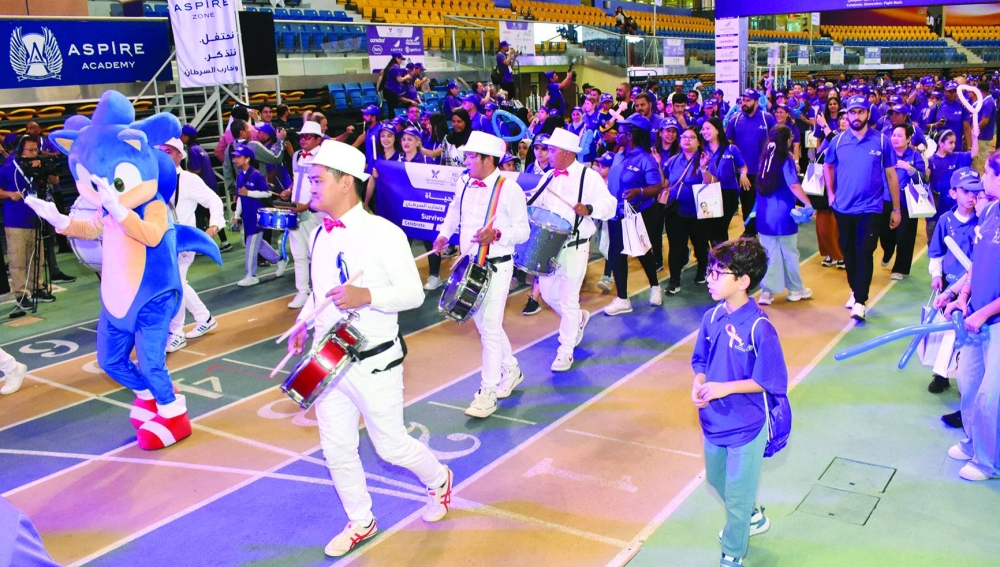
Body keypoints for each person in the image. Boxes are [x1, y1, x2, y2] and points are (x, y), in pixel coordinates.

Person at [287, 140, 453, 556]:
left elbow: (413, 294)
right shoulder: (320, 235)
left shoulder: (384, 233)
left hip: (374, 361)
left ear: (346, 183)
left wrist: (368, 295)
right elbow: (322, 294)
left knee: (391, 445)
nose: (310, 184)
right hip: (327, 360)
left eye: (317, 178)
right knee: (336, 447)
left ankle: (439, 480)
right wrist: (302, 322)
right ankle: (361, 520)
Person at [692, 238, 787, 567]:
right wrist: (700, 382)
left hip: (747, 425)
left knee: (735, 494)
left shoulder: (761, 328)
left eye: (718, 273)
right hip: (713, 421)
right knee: (717, 478)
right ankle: (752, 515)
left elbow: (767, 380)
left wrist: (724, 388)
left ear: (743, 282)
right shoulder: (711, 317)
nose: (710, 279)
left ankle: (733, 552)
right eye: (709, 271)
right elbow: (700, 360)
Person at [433, 131, 530, 418]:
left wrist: (497, 233)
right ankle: (510, 368)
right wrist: (443, 235)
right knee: (487, 326)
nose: (467, 160)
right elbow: (454, 211)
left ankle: (487, 392)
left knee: (488, 328)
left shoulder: (509, 189)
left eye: (472, 156)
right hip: (468, 265)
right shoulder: (464, 181)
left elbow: (523, 232)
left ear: (489, 160)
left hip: (497, 265)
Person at [529, 129, 617, 371]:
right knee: (547, 294)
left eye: (553, 150)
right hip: (549, 246)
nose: (548, 154)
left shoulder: (589, 177)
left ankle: (565, 350)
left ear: (567, 153)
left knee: (568, 300)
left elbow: (610, 205)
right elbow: (533, 203)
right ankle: (577, 319)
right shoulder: (548, 177)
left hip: (576, 246)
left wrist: (589, 208)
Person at [939, 156, 1000, 481]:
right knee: (969, 384)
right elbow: (978, 261)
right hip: (976, 316)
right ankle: (974, 441)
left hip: (994, 321)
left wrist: (983, 312)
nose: (979, 190)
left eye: (986, 177)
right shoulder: (989, 212)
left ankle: (989, 463)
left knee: (992, 395)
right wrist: (960, 296)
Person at [823, 95, 901, 322]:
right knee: (848, 252)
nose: (856, 116)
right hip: (843, 209)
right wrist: (830, 193)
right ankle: (855, 290)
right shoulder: (837, 141)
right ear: (847, 114)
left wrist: (896, 208)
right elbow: (827, 166)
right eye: (852, 112)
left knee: (864, 252)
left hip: (870, 209)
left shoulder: (882, 141)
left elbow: (891, 175)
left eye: (861, 112)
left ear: (868, 113)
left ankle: (860, 301)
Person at [159, 138, 224, 353]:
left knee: (174, 286)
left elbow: (214, 200)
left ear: (180, 155)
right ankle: (204, 317)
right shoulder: (153, 179)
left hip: (183, 242)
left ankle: (176, 332)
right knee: (179, 283)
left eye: (169, 151)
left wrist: (213, 227)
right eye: (161, 150)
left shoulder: (188, 180)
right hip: (161, 242)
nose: (164, 154)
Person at [927, 166, 980, 397]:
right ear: (953, 193)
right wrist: (936, 275)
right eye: (966, 191)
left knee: (966, 334)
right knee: (945, 331)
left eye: (975, 191)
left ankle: (963, 377)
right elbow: (936, 252)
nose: (972, 196)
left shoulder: (983, 220)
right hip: (949, 287)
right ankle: (940, 375)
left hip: (974, 286)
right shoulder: (945, 220)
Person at [604, 114, 663, 315]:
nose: (616, 135)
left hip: (637, 213)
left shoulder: (645, 159)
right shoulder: (619, 155)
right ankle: (623, 299)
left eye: (619, 132)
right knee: (617, 253)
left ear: (630, 135)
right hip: (615, 214)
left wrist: (639, 192)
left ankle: (655, 286)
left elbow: (657, 186)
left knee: (642, 251)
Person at [754, 126, 814, 305]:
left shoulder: (765, 158)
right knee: (789, 253)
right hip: (783, 214)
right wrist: (808, 203)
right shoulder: (785, 159)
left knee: (768, 253)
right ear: (786, 140)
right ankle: (796, 289)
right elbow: (793, 185)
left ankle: (767, 292)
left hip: (764, 215)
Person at [0, 136, 56, 316]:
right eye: (30, 151)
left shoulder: (35, 167)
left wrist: (42, 171)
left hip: (34, 218)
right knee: (17, 260)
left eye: (35, 150)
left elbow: (54, 181)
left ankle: (36, 287)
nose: (33, 154)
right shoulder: (8, 167)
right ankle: (21, 294)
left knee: (36, 256)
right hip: (15, 220)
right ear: (19, 151)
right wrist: (9, 194)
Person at [277, 120, 325, 309]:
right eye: (301, 137)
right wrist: (289, 190)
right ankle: (302, 291)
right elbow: (297, 179)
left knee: (317, 252)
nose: (303, 140)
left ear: (318, 139)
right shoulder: (297, 155)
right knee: (298, 254)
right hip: (296, 211)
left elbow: (324, 184)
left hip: (315, 213)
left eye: (307, 137)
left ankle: (318, 290)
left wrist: (307, 205)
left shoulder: (323, 156)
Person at [662, 126, 712, 294]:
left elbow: (711, 182)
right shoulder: (673, 160)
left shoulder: (706, 158)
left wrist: (704, 168)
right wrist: (656, 164)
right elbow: (666, 183)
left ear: (699, 142)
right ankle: (674, 280)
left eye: (691, 137)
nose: (687, 140)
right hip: (675, 211)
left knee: (700, 244)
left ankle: (701, 271)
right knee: (675, 246)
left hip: (699, 211)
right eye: (684, 137)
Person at [231, 144, 287, 286]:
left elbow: (267, 192)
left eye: (238, 157)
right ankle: (279, 259)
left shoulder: (255, 174)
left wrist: (249, 193)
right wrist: (236, 215)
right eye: (235, 157)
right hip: (247, 216)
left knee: (251, 245)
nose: (235, 159)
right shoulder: (239, 176)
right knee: (258, 243)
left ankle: (251, 275)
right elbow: (240, 197)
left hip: (256, 215)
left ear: (247, 159)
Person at [726, 90, 777, 237]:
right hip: (740, 170)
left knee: (761, 202)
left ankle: (760, 230)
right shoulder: (734, 119)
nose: (744, 103)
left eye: (748, 100)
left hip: (761, 169)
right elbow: (729, 143)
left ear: (756, 101)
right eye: (743, 100)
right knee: (746, 202)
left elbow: (774, 142)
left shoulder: (766, 118)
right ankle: (750, 231)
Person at [881, 124, 926, 281]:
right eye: (893, 135)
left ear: (908, 139)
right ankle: (887, 250)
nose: (895, 138)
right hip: (885, 199)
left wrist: (909, 168)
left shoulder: (915, 156)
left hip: (907, 203)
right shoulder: (885, 154)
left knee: (905, 237)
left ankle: (900, 267)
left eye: (900, 135)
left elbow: (923, 178)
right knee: (885, 233)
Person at [182, 124, 232, 253]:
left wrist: (185, 174)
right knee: (210, 214)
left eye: (182, 135)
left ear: (187, 136)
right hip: (210, 184)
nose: (180, 138)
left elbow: (196, 169)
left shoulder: (192, 150)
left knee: (199, 216)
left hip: (201, 187)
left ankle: (201, 245)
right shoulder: (200, 148)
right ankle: (224, 242)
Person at [701, 117, 748, 247]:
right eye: (703, 129)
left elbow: (742, 166)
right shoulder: (702, 150)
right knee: (709, 229)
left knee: (721, 228)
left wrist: (743, 175)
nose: (704, 131)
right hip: (708, 193)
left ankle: (722, 258)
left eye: (708, 128)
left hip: (728, 193)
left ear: (717, 130)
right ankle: (716, 257)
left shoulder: (731, 149)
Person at [928, 129, 974, 240]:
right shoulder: (930, 160)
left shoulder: (956, 157)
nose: (954, 145)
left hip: (951, 205)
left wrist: (975, 137)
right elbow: (925, 180)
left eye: (954, 142)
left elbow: (974, 153)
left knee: (951, 234)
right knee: (933, 233)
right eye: (951, 142)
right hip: (935, 204)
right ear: (941, 143)